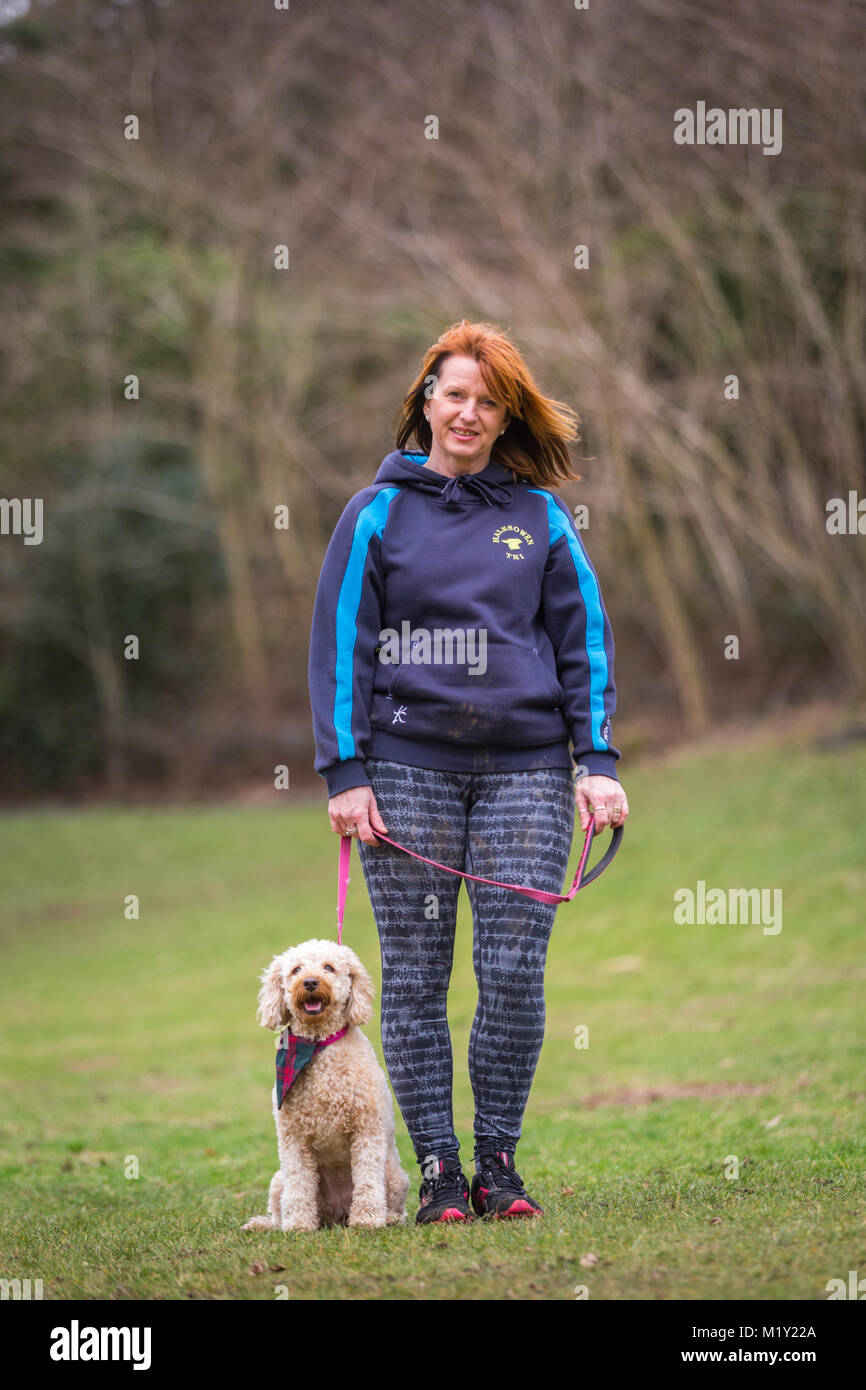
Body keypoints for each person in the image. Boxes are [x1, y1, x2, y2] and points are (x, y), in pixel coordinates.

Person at [307, 319, 629, 1224]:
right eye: (455, 394)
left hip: (528, 771)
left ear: (505, 416)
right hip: (405, 769)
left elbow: (584, 641)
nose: (470, 413)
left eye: (489, 401)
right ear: (425, 402)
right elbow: (342, 648)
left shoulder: (540, 517)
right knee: (412, 977)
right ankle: (440, 1170)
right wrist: (345, 774)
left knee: (514, 969)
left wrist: (595, 762)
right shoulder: (375, 512)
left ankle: (499, 1163)